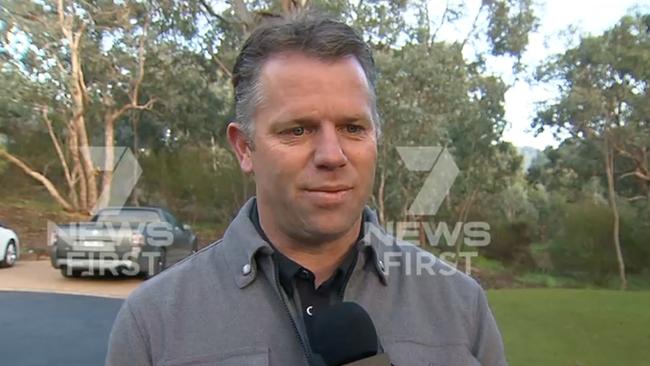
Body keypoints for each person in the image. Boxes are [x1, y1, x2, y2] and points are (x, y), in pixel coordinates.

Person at [106, 13, 507, 366]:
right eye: (297, 130)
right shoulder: (154, 320)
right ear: (245, 147)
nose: (332, 155)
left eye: (353, 128)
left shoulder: (459, 305)